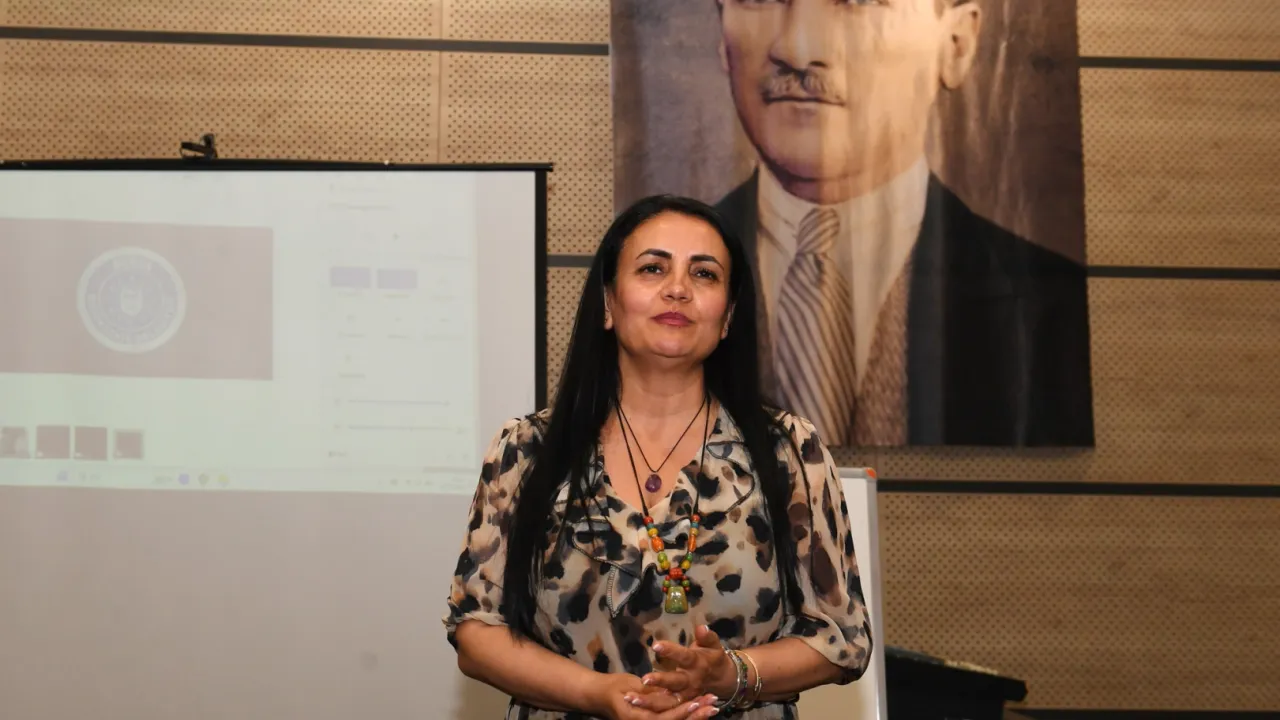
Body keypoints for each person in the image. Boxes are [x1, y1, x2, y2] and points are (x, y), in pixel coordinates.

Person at [444, 195, 873, 719]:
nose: (678, 288)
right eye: (653, 268)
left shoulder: (788, 451)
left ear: (728, 316)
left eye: (704, 274)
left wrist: (731, 675)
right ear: (608, 301)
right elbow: (477, 632)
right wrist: (598, 695)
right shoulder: (527, 449)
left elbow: (842, 636)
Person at [711, 0, 1095, 448]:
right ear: (722, 28)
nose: (798, 49)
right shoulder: (647, 295)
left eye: (858, 2)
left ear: (955, 45)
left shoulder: (1061, 316)